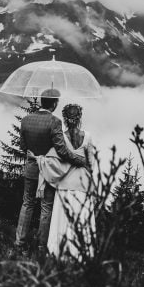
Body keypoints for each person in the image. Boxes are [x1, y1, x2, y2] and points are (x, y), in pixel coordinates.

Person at [15, 89, 87, 257]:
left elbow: (23, 146)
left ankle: (20, 244)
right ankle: (41, 247)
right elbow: (62, 150)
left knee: (27, 203)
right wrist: (79, 160)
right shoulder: (54, 121)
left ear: (41, 102)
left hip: (32, 168)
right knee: (46, 207)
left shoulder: (26, 120)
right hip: (48, 170)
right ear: (54, 104)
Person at [46, 103, 95, 259]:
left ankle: (58, 252)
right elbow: (90, 163)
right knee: (82, 219)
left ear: (65, 119)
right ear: (79, 117)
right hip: (83, 183)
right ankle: (81, 254)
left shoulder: (61, 138)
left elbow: (56, 158)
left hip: (65, 182)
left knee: (62, 219)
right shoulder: (87, 136)